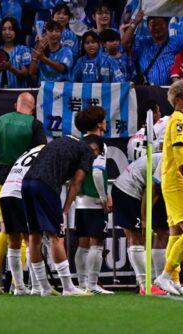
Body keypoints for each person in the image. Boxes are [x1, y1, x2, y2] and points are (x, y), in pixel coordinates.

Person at [0, 92, 47, 294]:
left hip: (1, 178)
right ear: (32, 107)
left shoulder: (0, 120)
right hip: (23, 180)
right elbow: (41, 151)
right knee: (25, 232)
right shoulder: (33, 124)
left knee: (6, 229)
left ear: (17, 104)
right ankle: (18, 284)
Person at [22, 128, 104, 296]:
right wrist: (65, 210)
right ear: (94, 149)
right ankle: (67, 287)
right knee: (56, 236)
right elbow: (76, 182)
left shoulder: (63, 141)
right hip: (46, 185)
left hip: (26, 183)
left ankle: (43, 288)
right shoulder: (87, 152)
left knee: (34, 235)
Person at [154, 80, 183, 295]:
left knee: (175, 233)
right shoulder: (180, 120)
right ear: (179, 99)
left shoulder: (177, 120)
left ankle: (173, 280)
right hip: (177, 181)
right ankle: (164, 276)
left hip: (171, 180)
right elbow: (179, 151)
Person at [0, 145, 57, 296]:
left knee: (13, 241)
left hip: (5, 192)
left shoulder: (28, 152)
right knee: (31, 238)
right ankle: (37, 287)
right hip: (19, 193)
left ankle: (19, 287)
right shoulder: (47, 154)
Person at [112, 153, 168, 295]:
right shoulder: (169, 158)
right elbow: (151, 191)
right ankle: (145, 285)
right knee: (136, 238)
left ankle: (158, 281)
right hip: (128, 190)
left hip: (142, 190)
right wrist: (144, 219)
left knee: (162, 232)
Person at [73, 106, 114, 295]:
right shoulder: (99, 144)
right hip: (94, 199)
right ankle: (92, 284)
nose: (106, 121)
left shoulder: (79, 143)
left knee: (82, 243)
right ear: (99, 123)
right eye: (104, 118)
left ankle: (82, 283)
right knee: (96, 243)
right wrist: (104, 197)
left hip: (80, 199)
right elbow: (98, 173)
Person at [122, 12, 182, 86]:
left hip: (170, 90)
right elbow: (125, 43)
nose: (156, 27)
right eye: (153, 24)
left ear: (167, 25)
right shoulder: (142, 43)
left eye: (160, 24)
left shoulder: (176, 42)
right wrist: (135, 22)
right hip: (147, 91)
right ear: (148, 27)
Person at [0, 18, 31, 89]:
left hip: (16, 93)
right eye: (4, 29)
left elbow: (25, 74)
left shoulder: (23, 49)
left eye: (11, 29)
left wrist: (11, 68)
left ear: (16, 31)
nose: (7, 32)